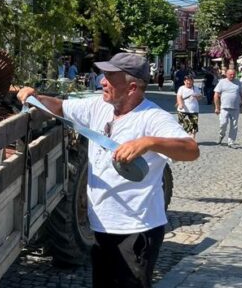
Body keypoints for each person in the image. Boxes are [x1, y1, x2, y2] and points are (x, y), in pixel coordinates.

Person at [16, 53, 199, 287]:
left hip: (136, 230)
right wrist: (35, 97)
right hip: (101, 226)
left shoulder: (153, 118)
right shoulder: (99, 106)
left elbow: (191, 150)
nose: (102, 81)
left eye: (110, 77)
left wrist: (149, 142)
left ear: (132, 87)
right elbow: (60, 107)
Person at [214, 68, 242, 148]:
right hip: (224, 107)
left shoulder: (238, 82)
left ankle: (231, 142)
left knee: (234, 126)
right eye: (230, 74)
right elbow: (216, 95)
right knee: (223, 124)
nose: (232, 76)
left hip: (235, 108)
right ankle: (221, 135)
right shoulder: (222, 82)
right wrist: (217, 107)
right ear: (226, 74)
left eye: (233, 74)